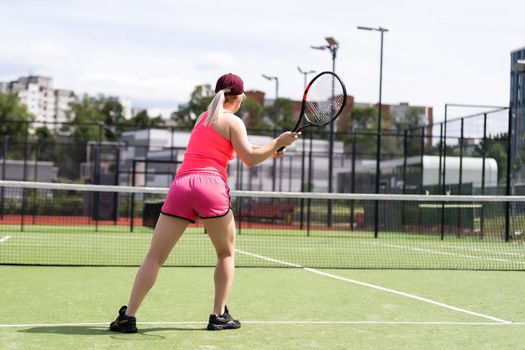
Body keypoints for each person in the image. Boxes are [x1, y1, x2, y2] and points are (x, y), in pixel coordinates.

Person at [109, 73, 300, 333]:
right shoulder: (234, 122)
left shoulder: (204, 117)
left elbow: (242, 147)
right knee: (225, 253)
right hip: (210, 187)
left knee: (154, 257)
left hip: (182, 186)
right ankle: (218, 315)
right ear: (241, 97)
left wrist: (270, 148)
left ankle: (127, 317)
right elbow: (250, 158)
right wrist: (278, 142)